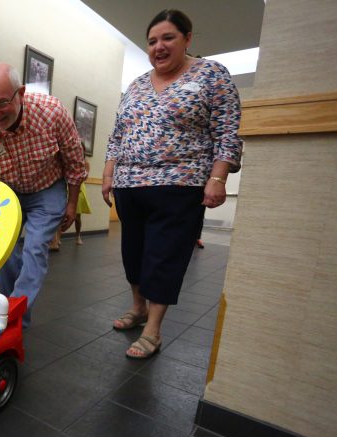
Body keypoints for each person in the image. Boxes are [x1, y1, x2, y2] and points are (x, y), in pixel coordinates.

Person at [101, 9, 242, 359]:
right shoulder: (136, 84)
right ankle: (138, 308)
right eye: (152, 41)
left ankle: (153, 329)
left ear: (187, 38)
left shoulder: (212, 75)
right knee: (132, 253)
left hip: (181, 184)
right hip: (130, 183)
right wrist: (108, 174)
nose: (158, 47)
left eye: (168, 38)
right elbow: (118, 134)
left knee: (164, 256)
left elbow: (228, 130)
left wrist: (218, 177)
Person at [0, 63, 88, 327]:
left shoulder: (52, 112)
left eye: (2, 103)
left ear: (21, 93)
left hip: (48, 188)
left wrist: (72, 203)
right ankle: (2, 309)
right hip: (7, 193)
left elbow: (75, 160)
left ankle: (14, 320)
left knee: (35, 248)